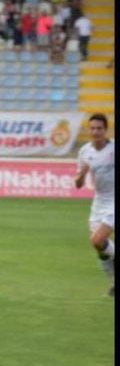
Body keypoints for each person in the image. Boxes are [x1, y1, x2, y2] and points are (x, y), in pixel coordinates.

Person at [74, 113, 115, 296]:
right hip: (99, 201)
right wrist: (82, 174)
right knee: (100, 247)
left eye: (99, 128)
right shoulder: (84, 152)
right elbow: (78, 185)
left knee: (97, 239)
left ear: (106, 130)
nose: (96, 132)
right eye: (92, 128)